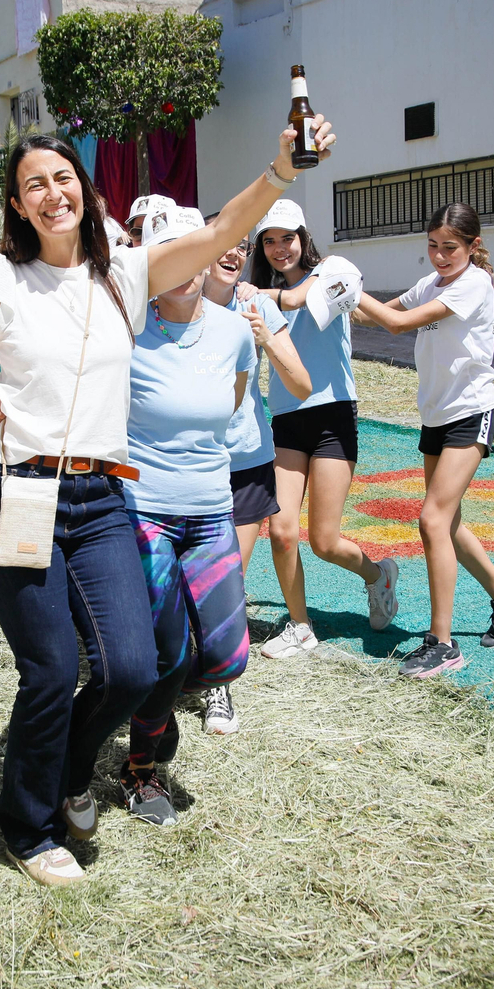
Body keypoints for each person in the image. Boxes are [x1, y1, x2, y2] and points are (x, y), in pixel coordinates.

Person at [0, 113, 336, 886]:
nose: (51, 193)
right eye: (33, 186)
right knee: (53, 669)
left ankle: (68, 768)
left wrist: (282, 170)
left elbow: (223, 230)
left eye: (63, 178)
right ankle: (29, 827)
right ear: (18, 206)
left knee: (133, 668)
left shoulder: (125, 273)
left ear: (85, 191)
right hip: (17, 491)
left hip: (99, 499)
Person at [328, 203, 494, 678]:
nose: (440, 256)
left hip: (471, 412)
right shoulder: (432, 283)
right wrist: (330, 295)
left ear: (473, 247)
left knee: (432, 520)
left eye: (450, 248)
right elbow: (380, 315)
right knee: (449, 522)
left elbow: (398, 324)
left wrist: (347, 287)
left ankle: (442, 643)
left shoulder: (474, 283)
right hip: (437, 417)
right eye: (433, 246)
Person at [116, 206, 257, 825]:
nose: (181, 268)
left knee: (228, 658)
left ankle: (154, 701)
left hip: (210, 512)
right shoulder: (124, 329)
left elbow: (231, 405)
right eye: (165, 256)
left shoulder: (234, 332)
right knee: (168, 654)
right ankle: (141, 769)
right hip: (142, 511)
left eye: (190, 253)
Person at [246, 199, 398, 660]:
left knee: (325, 542)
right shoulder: (257, 297)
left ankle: (378, 576)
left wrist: (253, 294)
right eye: (269, 241)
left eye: (287, 238)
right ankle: (301, 626)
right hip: (287, 418)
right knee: (281, 530)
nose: (279, 248)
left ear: (304, 238)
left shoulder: (331, 270)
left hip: (333, 415)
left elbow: (296, 299)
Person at [199, 217, 310, 736]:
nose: (233, 254)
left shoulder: (256, 305)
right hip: (188, 462)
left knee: (228, 578)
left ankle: (217, 685)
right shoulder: (169, 302)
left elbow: (302, 384)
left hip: (245, 461)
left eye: (240, 247)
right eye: (222, 243)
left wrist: (265, 336)